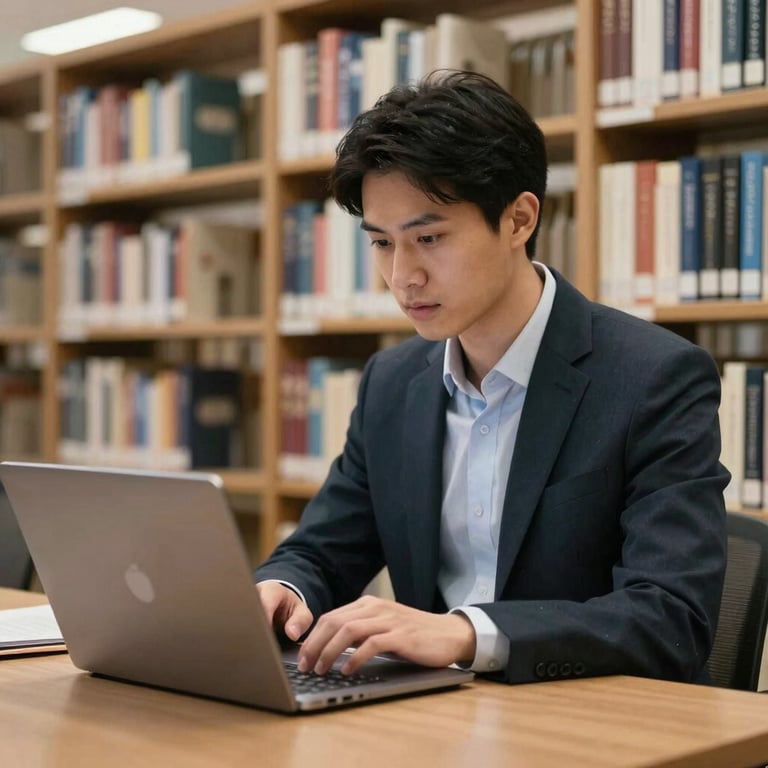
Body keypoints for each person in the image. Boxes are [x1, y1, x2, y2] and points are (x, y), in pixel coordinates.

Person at [254, 70, 729, 684]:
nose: (403, 276)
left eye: (429, 237)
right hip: (429, 720)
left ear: (519, 220)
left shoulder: (655, 378)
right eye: (381, 243)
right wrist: (282, 588)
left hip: (578, 723)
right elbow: (321, 549)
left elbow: (671, 619)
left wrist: (466, 631)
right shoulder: (392, 384)